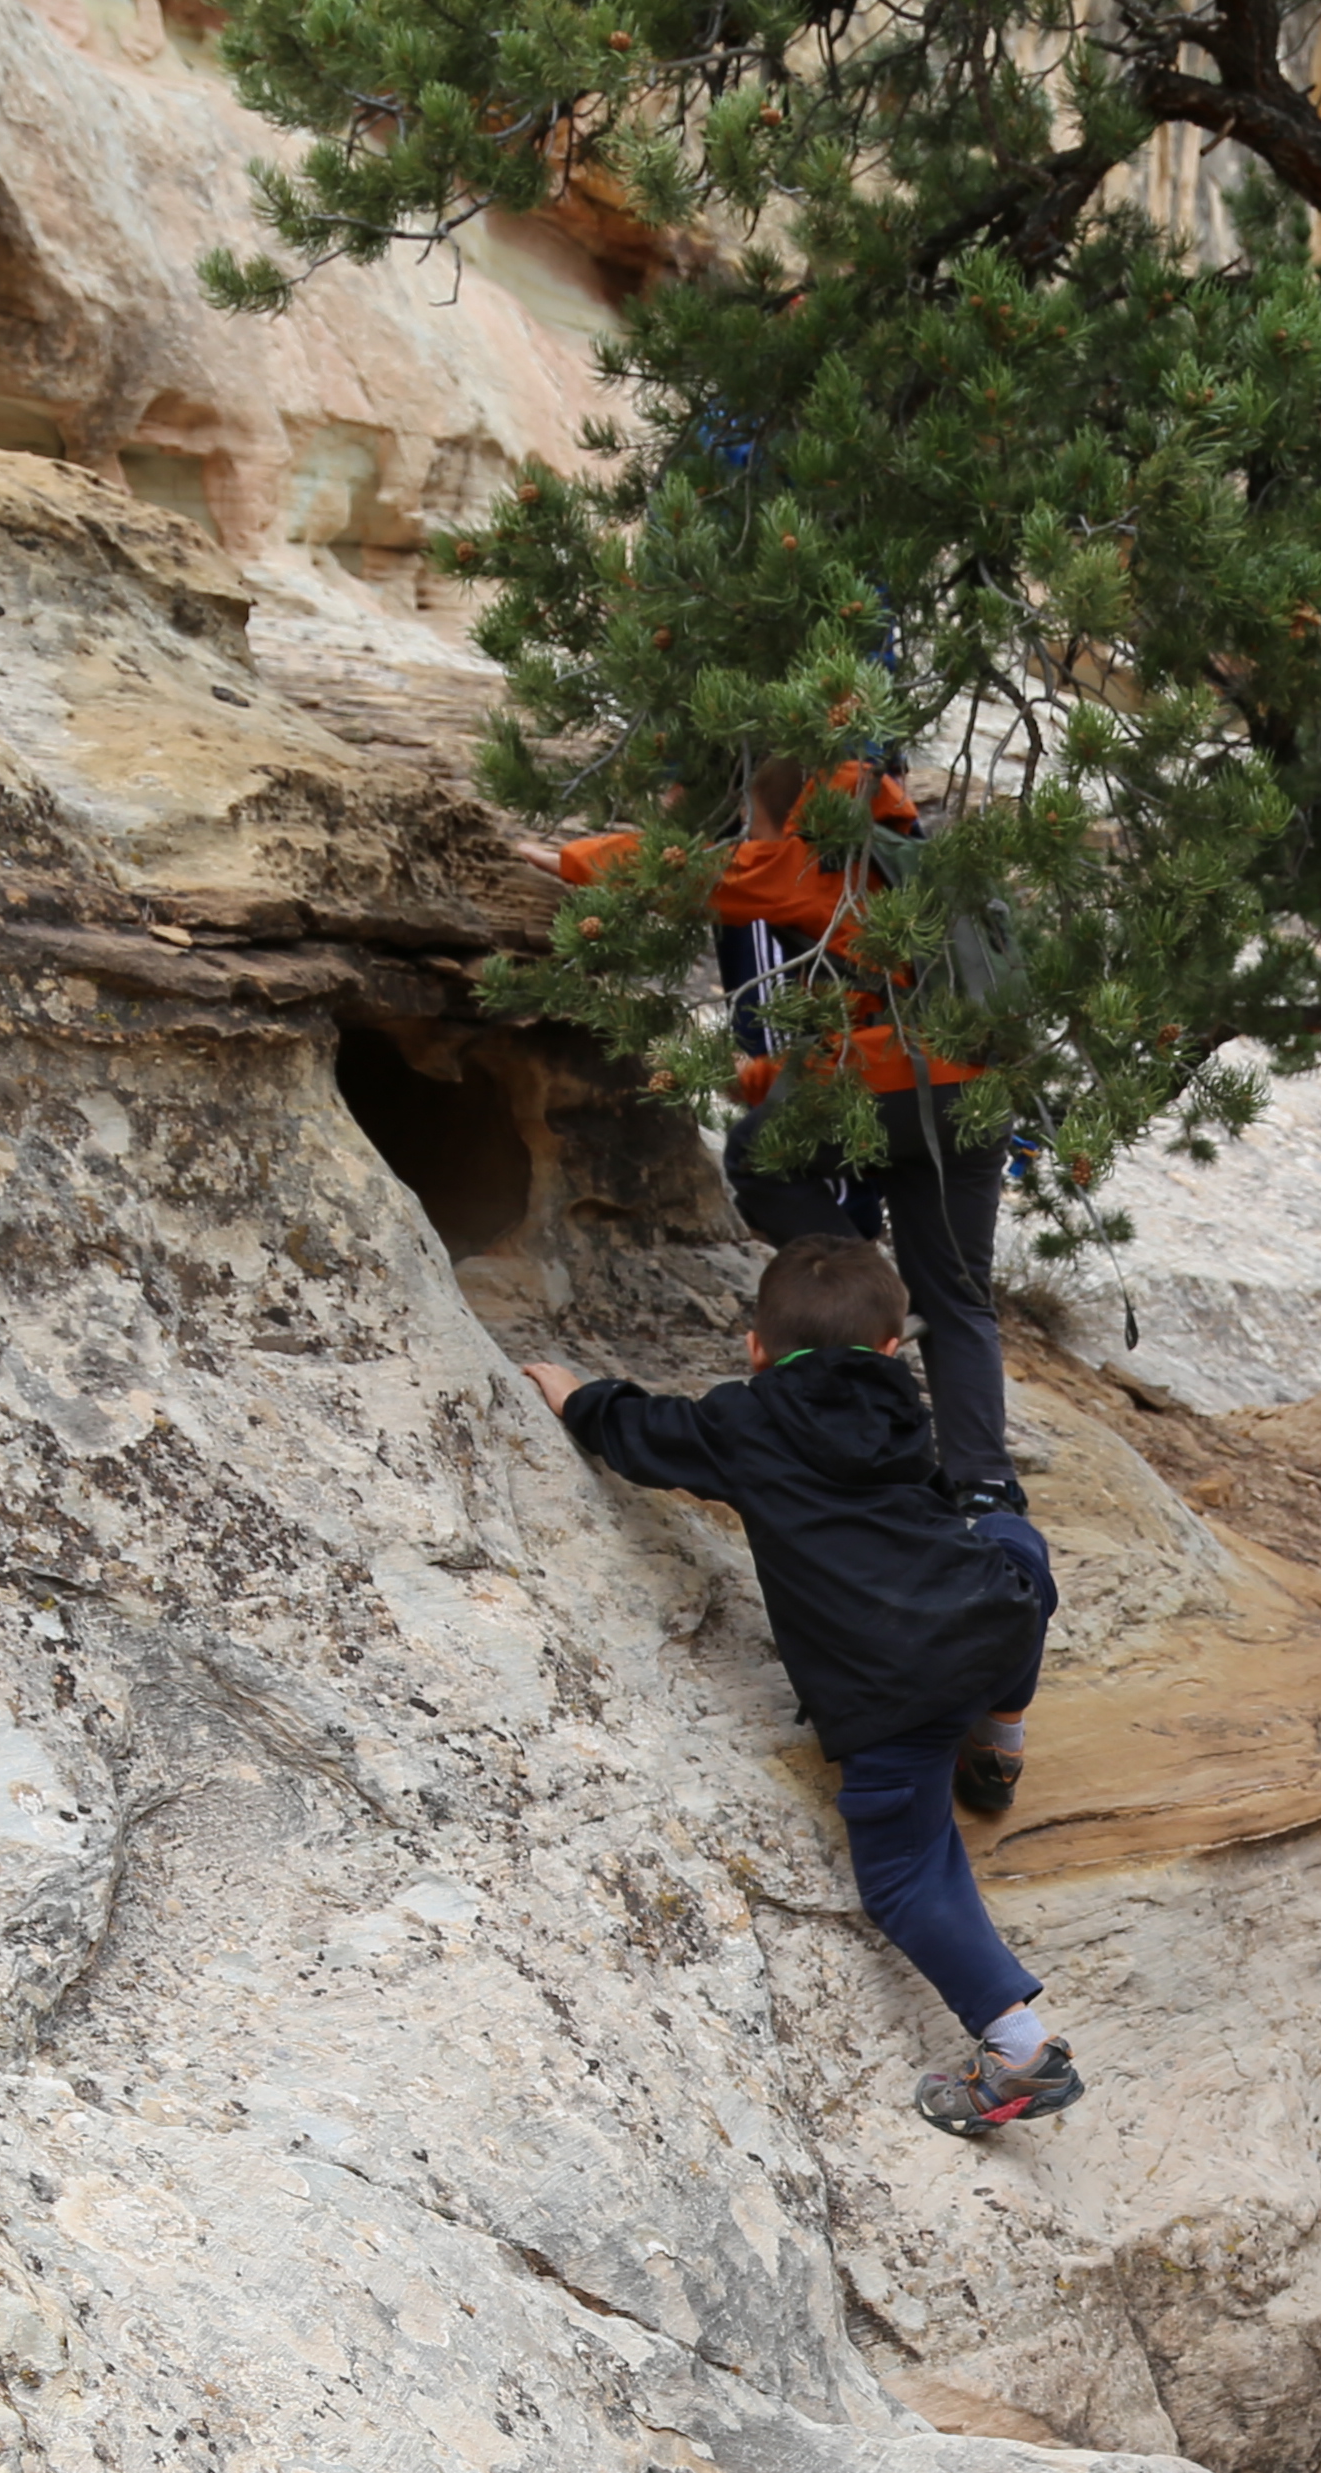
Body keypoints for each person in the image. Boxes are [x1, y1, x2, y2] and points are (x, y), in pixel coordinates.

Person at [523, 1237, 1083, 2136]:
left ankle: (1019, 2051)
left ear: (755, 1349)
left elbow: (638, 1435)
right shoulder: (906, 1412)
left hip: (893, 1693)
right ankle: (1001, 1739)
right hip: (988, 1627)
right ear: (894, 1351)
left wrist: (573, 1392)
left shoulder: (744, 1424)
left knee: (906, 1874)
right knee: (1016, 1550)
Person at [528, 760, 1023, 1512]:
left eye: (752, 821)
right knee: (959, 1300)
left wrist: (577, 859)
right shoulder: (931, 869)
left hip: (896, 1089)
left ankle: (860, 1294)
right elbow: (872, 1021)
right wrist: (760, 1078)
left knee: (760, 1155)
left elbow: (711, 879)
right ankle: (985, 1488)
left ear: (781, 810)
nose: (751, 837)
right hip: (977, 1098)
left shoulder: (830, 861)